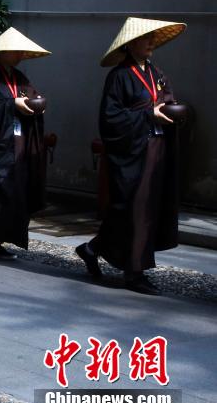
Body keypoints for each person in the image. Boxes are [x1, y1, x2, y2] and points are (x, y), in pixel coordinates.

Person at [76, 18, 185, 296]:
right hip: (132, 152)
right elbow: (110, 118)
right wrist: (148, 114)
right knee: (133, 210)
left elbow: (167, 98)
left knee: (145, 210)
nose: (151, 43)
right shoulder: (119, 76)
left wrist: (170, 108)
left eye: (152, 39)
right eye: (146, 39)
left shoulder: (157, 73)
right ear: (131, 43)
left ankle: (91, 249)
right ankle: (134, 273)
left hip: (156, 149)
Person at [0, 27, 51, 260]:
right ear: (2, 52)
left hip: (17, 144)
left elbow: (30, 97)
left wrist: (36, 103)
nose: (19, 56)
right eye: (15, 51)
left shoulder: (20, 78)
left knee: (15, 192)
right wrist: (11, 104)